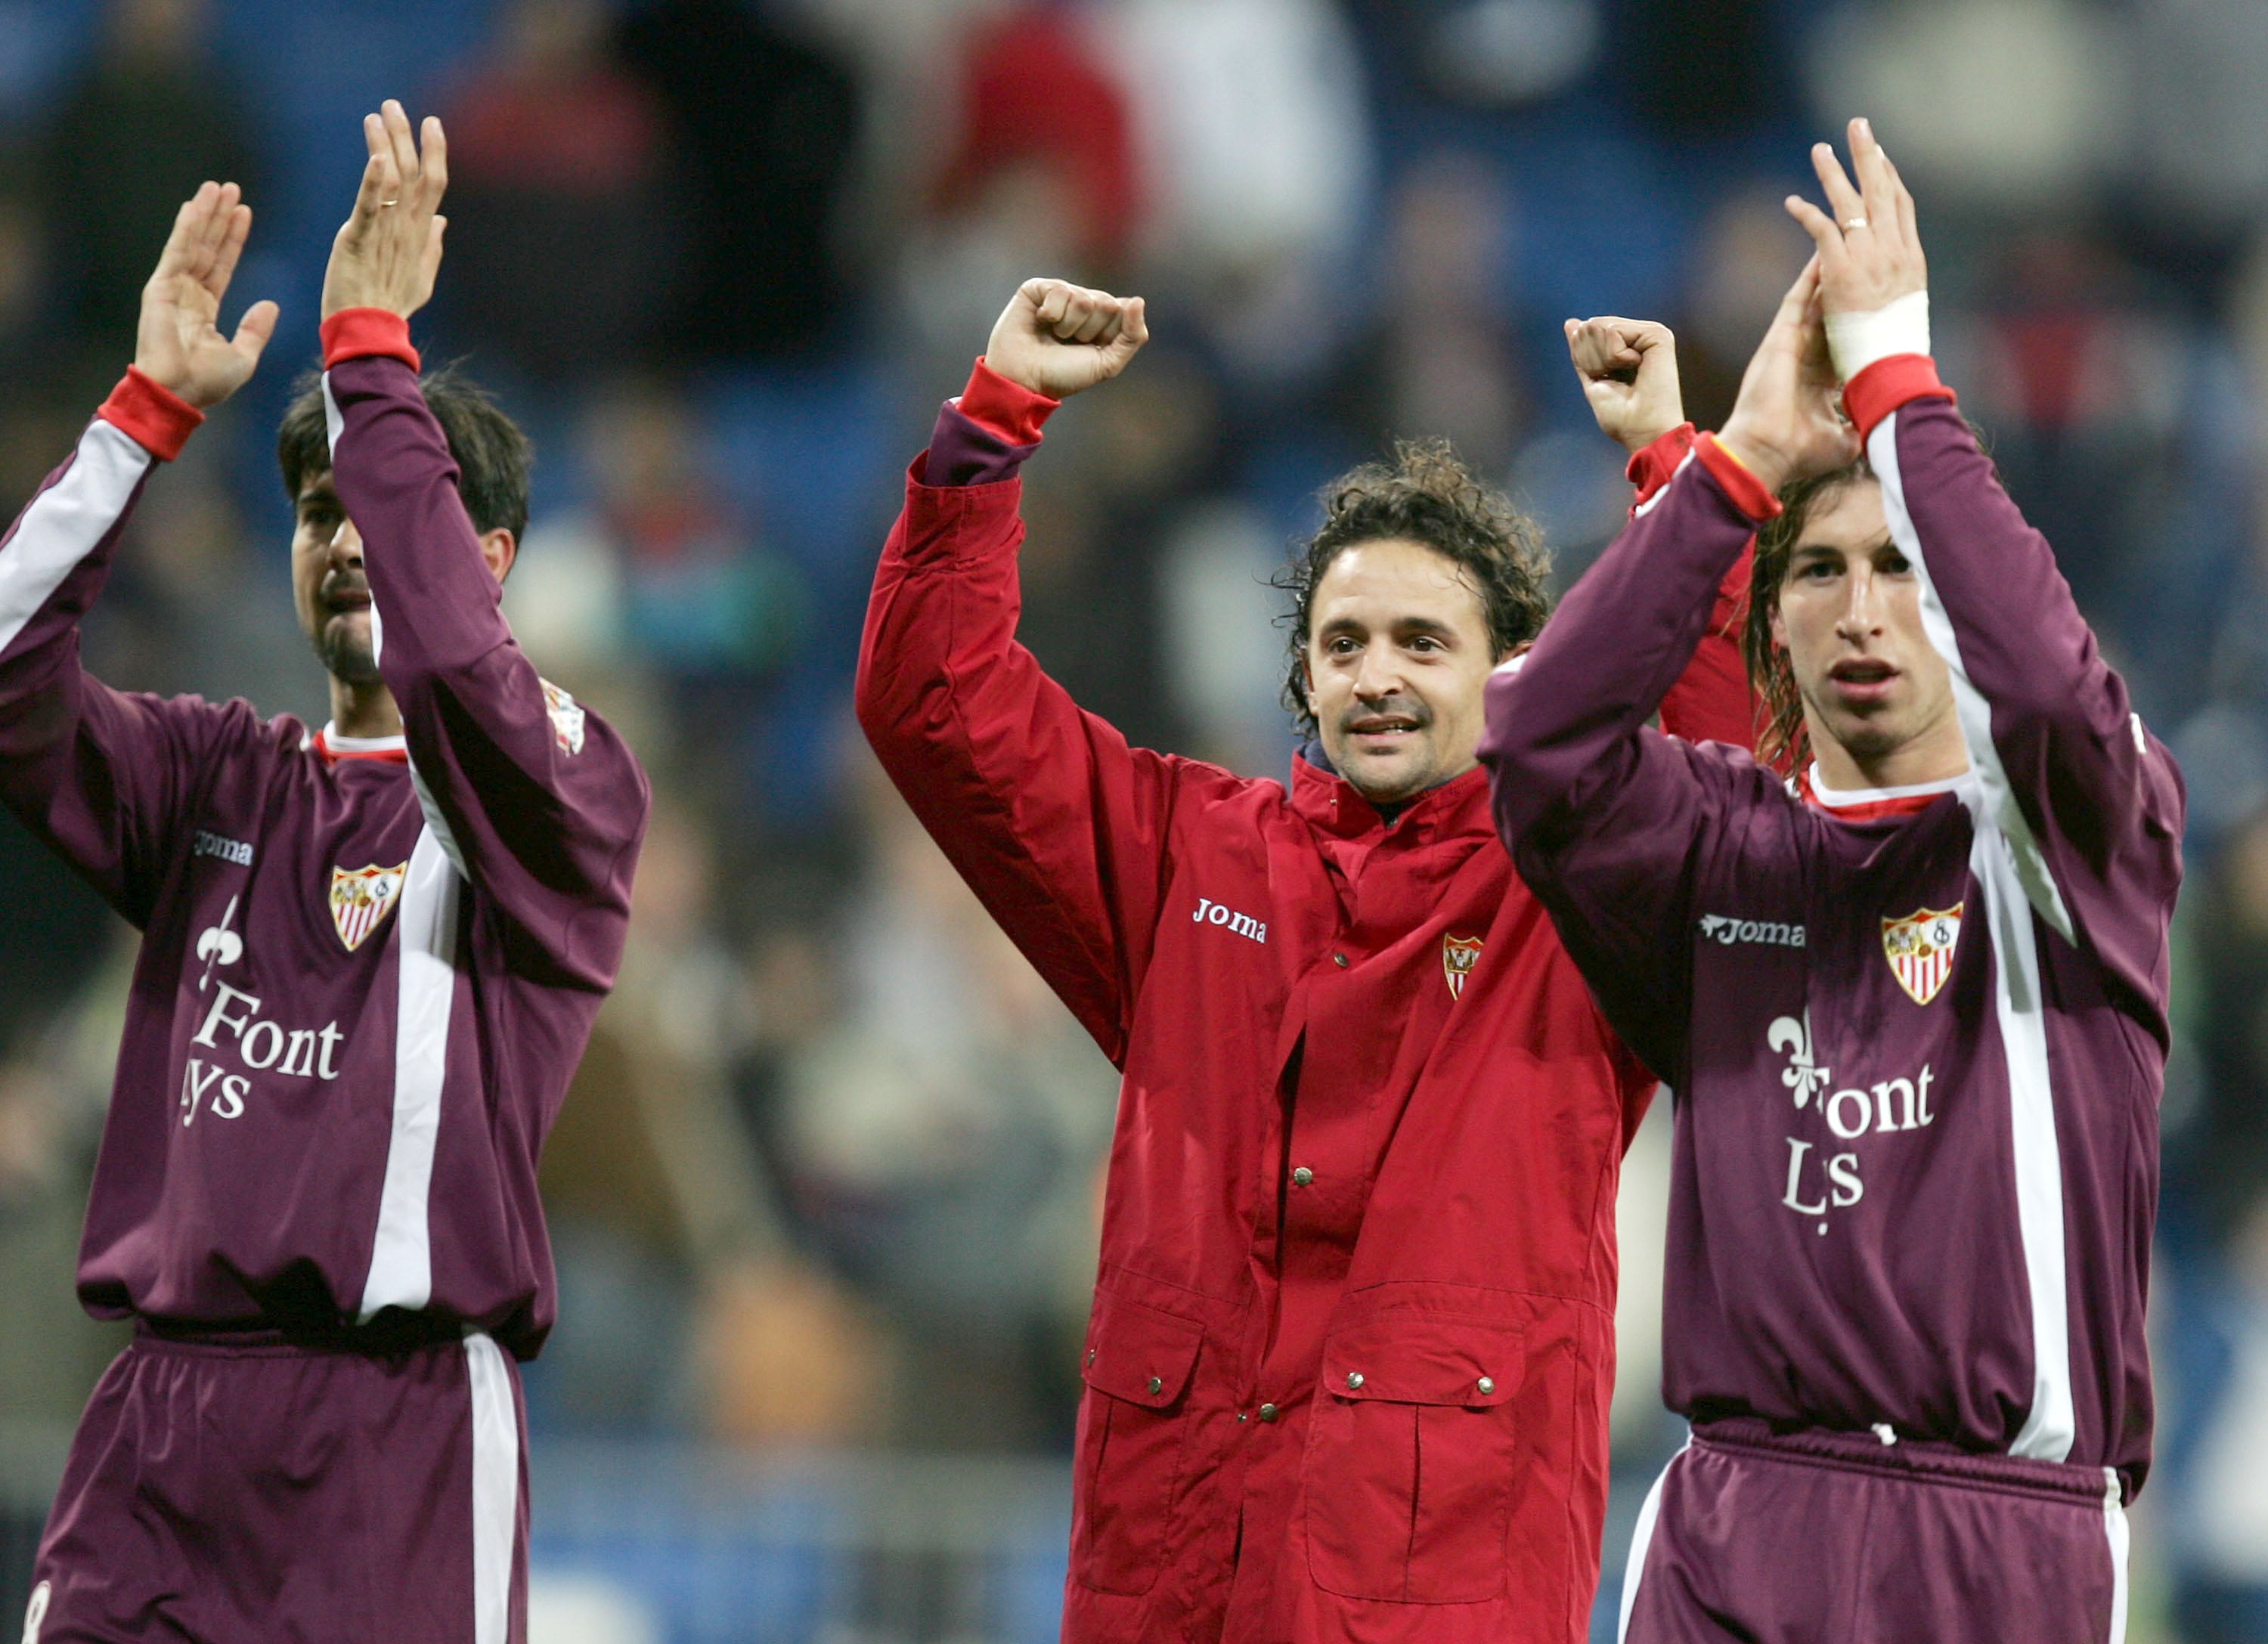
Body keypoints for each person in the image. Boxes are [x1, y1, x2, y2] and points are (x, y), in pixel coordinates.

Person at [854, 277, 1750, 1641]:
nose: (1375, 675)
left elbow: (1719, 767)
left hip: (1448, 1595)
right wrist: (991, 426)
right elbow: (934, 706)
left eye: (1421, 642)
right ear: (1303, 682)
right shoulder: (1187, 857)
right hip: (1174, 1576)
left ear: (1515, 676)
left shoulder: (1577, 889)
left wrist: (1672, 473)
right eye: (1343, 644)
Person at [1482, 119, 2180, 1643]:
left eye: (1902, 568)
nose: (1863, 611)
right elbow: (1535, 741)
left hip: (2001, 1534)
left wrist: (1900, 388)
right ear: (1771, 619)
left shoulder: (2073, 834)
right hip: (1741, 1514)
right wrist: (1727, 472)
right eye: (1819, 568)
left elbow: (2055, 697)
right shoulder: (1717, 840)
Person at [2, 104, 648, 1643]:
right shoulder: (215, 776)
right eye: (313, 511)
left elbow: (464, 681)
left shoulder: (558, 786)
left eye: (378, 507)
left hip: (398, 1429)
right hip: (165, 1425)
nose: (345, 536)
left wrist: (375, 357)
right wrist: (145, 414)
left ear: (479, 556)